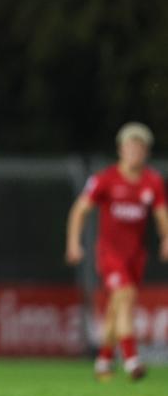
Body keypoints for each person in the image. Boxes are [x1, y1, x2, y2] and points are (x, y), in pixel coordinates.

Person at [66, 122, 168, 381]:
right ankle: (132, 359)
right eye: (130, 146)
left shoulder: (152, 181)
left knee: (117, 305)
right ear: (121, 149)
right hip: (110, 255)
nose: (134, 151)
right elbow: (80, 210)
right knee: (124, 295)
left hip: (136, 256)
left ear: (146, 151)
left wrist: (166, 237)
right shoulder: (105, 179)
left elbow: (161, 214)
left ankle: (103, 360)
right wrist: (73, 242)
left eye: (140, 147)